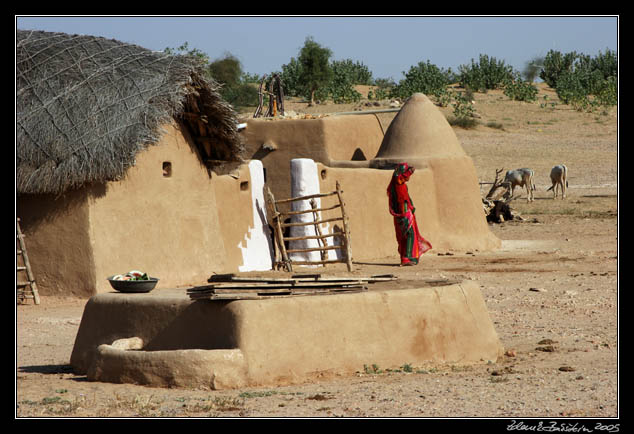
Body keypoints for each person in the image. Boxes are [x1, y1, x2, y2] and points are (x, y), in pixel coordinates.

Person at [387, 162, 432, 266]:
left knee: (406, 236)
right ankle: (406, 258)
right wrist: (405, 213)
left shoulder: (398, 184)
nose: (409, 176)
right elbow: (401, 200)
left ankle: (409, 257)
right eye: (406, 173)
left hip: (403, 214)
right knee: (409, 234)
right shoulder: (398, 184)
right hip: (404, 214)